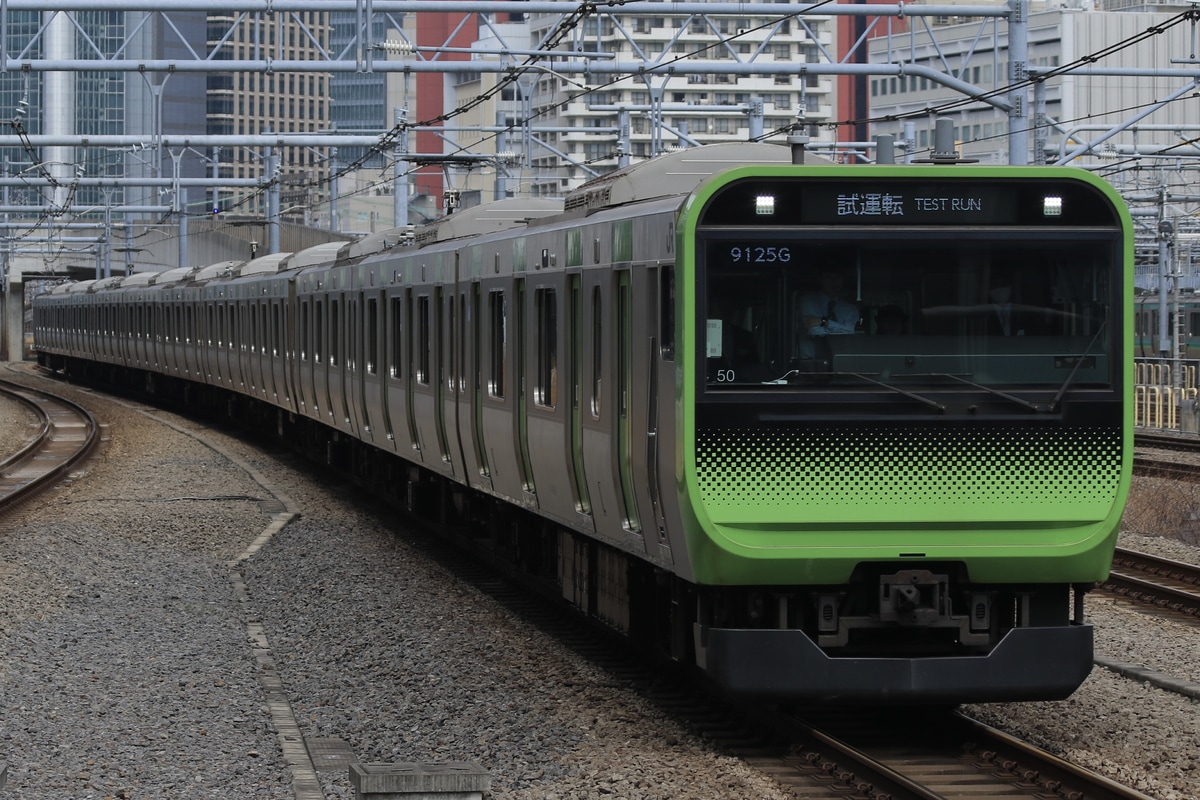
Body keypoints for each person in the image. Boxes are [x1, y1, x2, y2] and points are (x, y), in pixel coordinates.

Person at [797, 267, 860, 359]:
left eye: (837, 278)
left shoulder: (850, 309)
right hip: (810, 363)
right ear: (819, 279)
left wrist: (825, 322)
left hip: (842, 362)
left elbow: (852, 334)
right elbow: (814, 331)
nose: (833, 282)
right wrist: (841, 328)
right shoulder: (807, 302)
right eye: (828, 277)